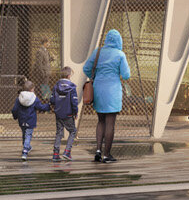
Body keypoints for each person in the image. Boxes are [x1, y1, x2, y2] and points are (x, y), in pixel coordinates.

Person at [83, 28, 131, 163]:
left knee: (101, 121)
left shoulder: (97, 52)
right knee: (110, 123)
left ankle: (98, 150)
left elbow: (86, 68)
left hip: (98, 89)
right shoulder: (120, 54)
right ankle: (107, 155)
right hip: (113, 91)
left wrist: (97, 75)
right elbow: (126, 75)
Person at [49, 67, 81, 162]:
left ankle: (55, 153)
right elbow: (74, 102)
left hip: (58, 113)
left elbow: (52, 100)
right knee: (73, 131)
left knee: (59, 133)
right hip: (68, 114)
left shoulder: (56, 86)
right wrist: (75, 112)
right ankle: (67, 151)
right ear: (69, 75)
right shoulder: (72, 87)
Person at [11, 83, 41, 160]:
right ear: (31, 89)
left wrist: (15, 116)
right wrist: (48, 106)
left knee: (24, 133)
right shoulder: (34, 98)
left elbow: (14, 109)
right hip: (30, 120)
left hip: (22, 120)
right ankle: (24, 151)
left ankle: (28, 146)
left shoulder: (19, 98)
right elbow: (40, 107)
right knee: (28, 135)